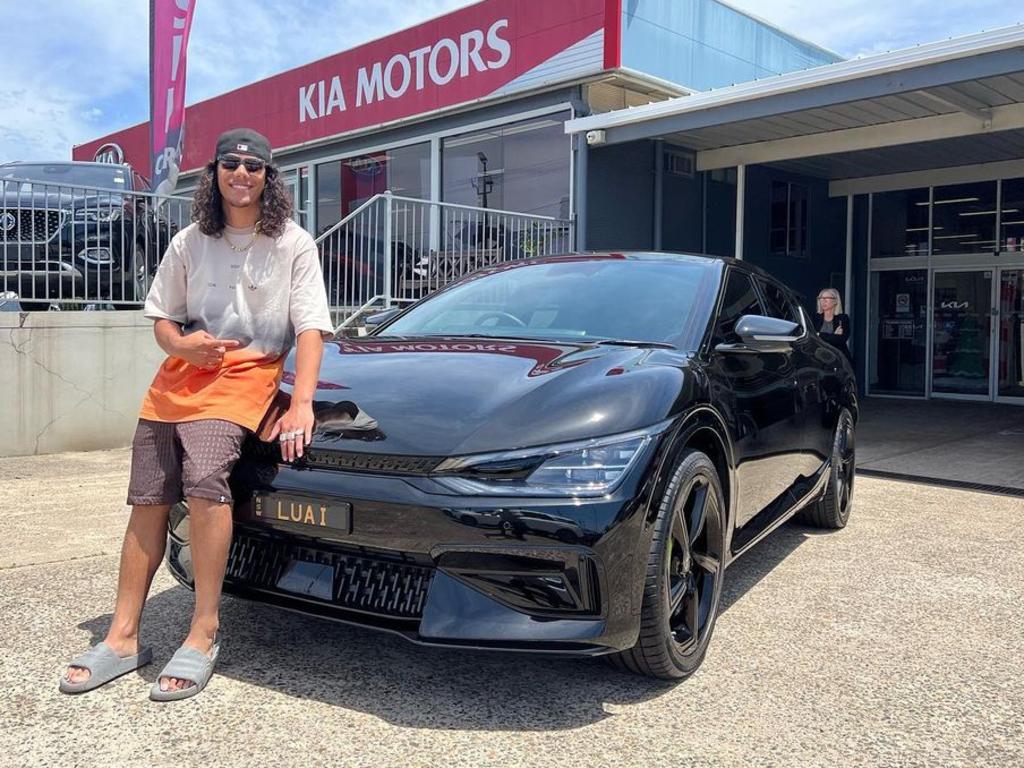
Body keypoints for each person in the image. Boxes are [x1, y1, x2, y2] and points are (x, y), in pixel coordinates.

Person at [60, 128, 334, 701]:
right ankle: (123, 636)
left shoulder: (292, 243)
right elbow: (163, 318)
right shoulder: (189, 240)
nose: (241, 174)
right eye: (230, 163)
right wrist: (181, 347)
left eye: (253, 166)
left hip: (244, 382)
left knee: (207, 486)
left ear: (268, 177)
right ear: (213, 172)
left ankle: (204, 629)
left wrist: (302, 402)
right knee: (147, 499)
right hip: (176, 384)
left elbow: (311, 328)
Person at [816, 287, 852, 363]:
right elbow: (812, 338)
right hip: (819, 359)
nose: (823, 301)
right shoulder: (815, 317)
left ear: (835, 301)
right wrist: (833, 335)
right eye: (821, 298)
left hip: (839, 359)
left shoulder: (843, 318)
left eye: (826, 298)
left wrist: (819, 334)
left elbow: (841, 339)